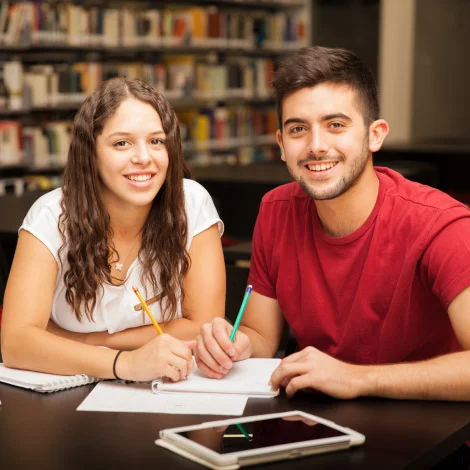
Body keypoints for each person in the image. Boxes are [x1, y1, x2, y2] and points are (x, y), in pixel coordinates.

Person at [194, 46, 470, 402]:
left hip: (432, 435)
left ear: (376, 135)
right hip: (322, 423)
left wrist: (358, 379)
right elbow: (261, 335)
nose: (317, 146)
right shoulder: (276, 210)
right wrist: (234, 345)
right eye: (298, 129)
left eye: (335, 125)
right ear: (281, 144)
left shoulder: (443, 227)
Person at [1, 77, 225, 383]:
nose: (143, 158)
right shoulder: (51, 216)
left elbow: (203, 326)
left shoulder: (192, 203)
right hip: (67, 407)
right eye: (122, 143)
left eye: (156, 141)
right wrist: (125, 363)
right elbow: (15, 344)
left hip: (169, 394)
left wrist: (78, 342)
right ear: (90, 152)